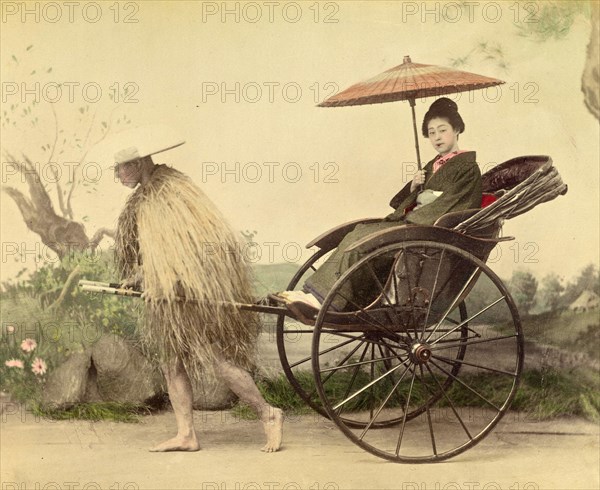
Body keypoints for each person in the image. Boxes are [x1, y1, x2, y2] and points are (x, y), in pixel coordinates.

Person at [112, 135, 283, 453]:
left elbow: (187, 248)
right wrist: (141, 275)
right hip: (169, 300)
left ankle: (269, 413)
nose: (117, 175)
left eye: (120, 168)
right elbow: (155, 249)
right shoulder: (146, 195)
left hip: (191, 296)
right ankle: (186, 434)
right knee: (171, 363)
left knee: (217, 360)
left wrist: (161, 278)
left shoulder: (170, 191)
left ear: (136, 164)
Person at [276, 97, 482, 311]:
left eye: (442, 130)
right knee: (358, 233)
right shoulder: (432, 165)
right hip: (414, 224)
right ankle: (319, 295)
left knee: (363, 241)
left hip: (427, 231)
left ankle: (324, 299)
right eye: (431, 133)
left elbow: (454, 207)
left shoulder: (467, 168)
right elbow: (398, 203)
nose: (437, 138)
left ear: (457, 128)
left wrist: (415, 216)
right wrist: (414, 186)